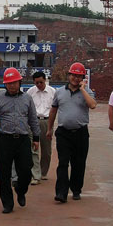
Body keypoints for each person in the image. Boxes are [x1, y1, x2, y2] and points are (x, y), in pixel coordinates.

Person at [0, 68, 39, 213]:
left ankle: (21, 191)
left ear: (19, 82)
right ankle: (7, 203)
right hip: (5, 139)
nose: (12, 85)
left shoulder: (27, 98)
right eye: (9, 83)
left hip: (23, 139)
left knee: (26, 170)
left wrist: (36, 137)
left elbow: (33, 119)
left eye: (14, 82)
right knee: (3, 173)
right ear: (5, 84)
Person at [47, 62, 96, 203]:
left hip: (81, 133)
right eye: (73, 75)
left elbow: (92, 105)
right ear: (69, 75)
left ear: (83, 78)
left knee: (78, 163)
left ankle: (76, 189)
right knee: (63, 162)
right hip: (63, 133)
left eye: (79, 76)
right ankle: (61, 192)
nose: (76, 78)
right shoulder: (59, 92)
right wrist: (49, 129)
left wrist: (83, 90)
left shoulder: (87, 92)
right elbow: (53, 111)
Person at [26, 71, 55, 184]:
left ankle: (43, 172)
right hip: (33, 121)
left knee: (46, 150)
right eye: (36, 83)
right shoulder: (30, 92)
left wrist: (51, 126)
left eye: (41, 82)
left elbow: (55, 108)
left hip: (47, 121)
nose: (39, 85)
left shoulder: (52, 92)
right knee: (34, 148)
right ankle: (35, 174)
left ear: (45, 80)